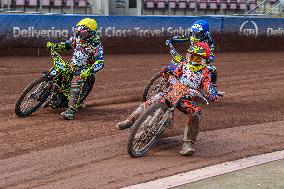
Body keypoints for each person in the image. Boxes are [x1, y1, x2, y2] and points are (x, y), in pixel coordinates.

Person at [116, 42, 221, 156]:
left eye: (198, 58)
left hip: (186, 99)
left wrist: (213, 94)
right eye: (192, 56)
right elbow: (174, 73)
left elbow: (208, 87)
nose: (194, 59)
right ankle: (130, 121)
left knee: (196, 113)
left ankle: (187, 144)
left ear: (204, 61)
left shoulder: (205, 73)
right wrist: (169, 74)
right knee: (150, 101)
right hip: (172, 92)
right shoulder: (183, 65)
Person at [47, 18, 104, 120]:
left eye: (83, 33)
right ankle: (51, 94)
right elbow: (66, 46)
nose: (80, 35)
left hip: (84, 70)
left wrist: (89, 71)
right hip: (72, 65)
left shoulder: (96, 45)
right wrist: (55, 46)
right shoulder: (76, 38)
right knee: (56, 71)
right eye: (78, 32)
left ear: (91, 33)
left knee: (76, 83)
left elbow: (100, 62)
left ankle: (71, 111)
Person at [166, 20, 217, 84]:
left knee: (210, 71)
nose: (194, 35)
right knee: (178, 65)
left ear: (204, 34)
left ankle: (205, 86)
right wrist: (172, 40)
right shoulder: (191, 34)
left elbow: (211, 50)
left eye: (198, 34)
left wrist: (210, 57)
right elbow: (182, 37)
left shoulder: (208, 40)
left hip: (201, 59)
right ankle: (168, 80)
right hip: (191, 55)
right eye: (193, 32)